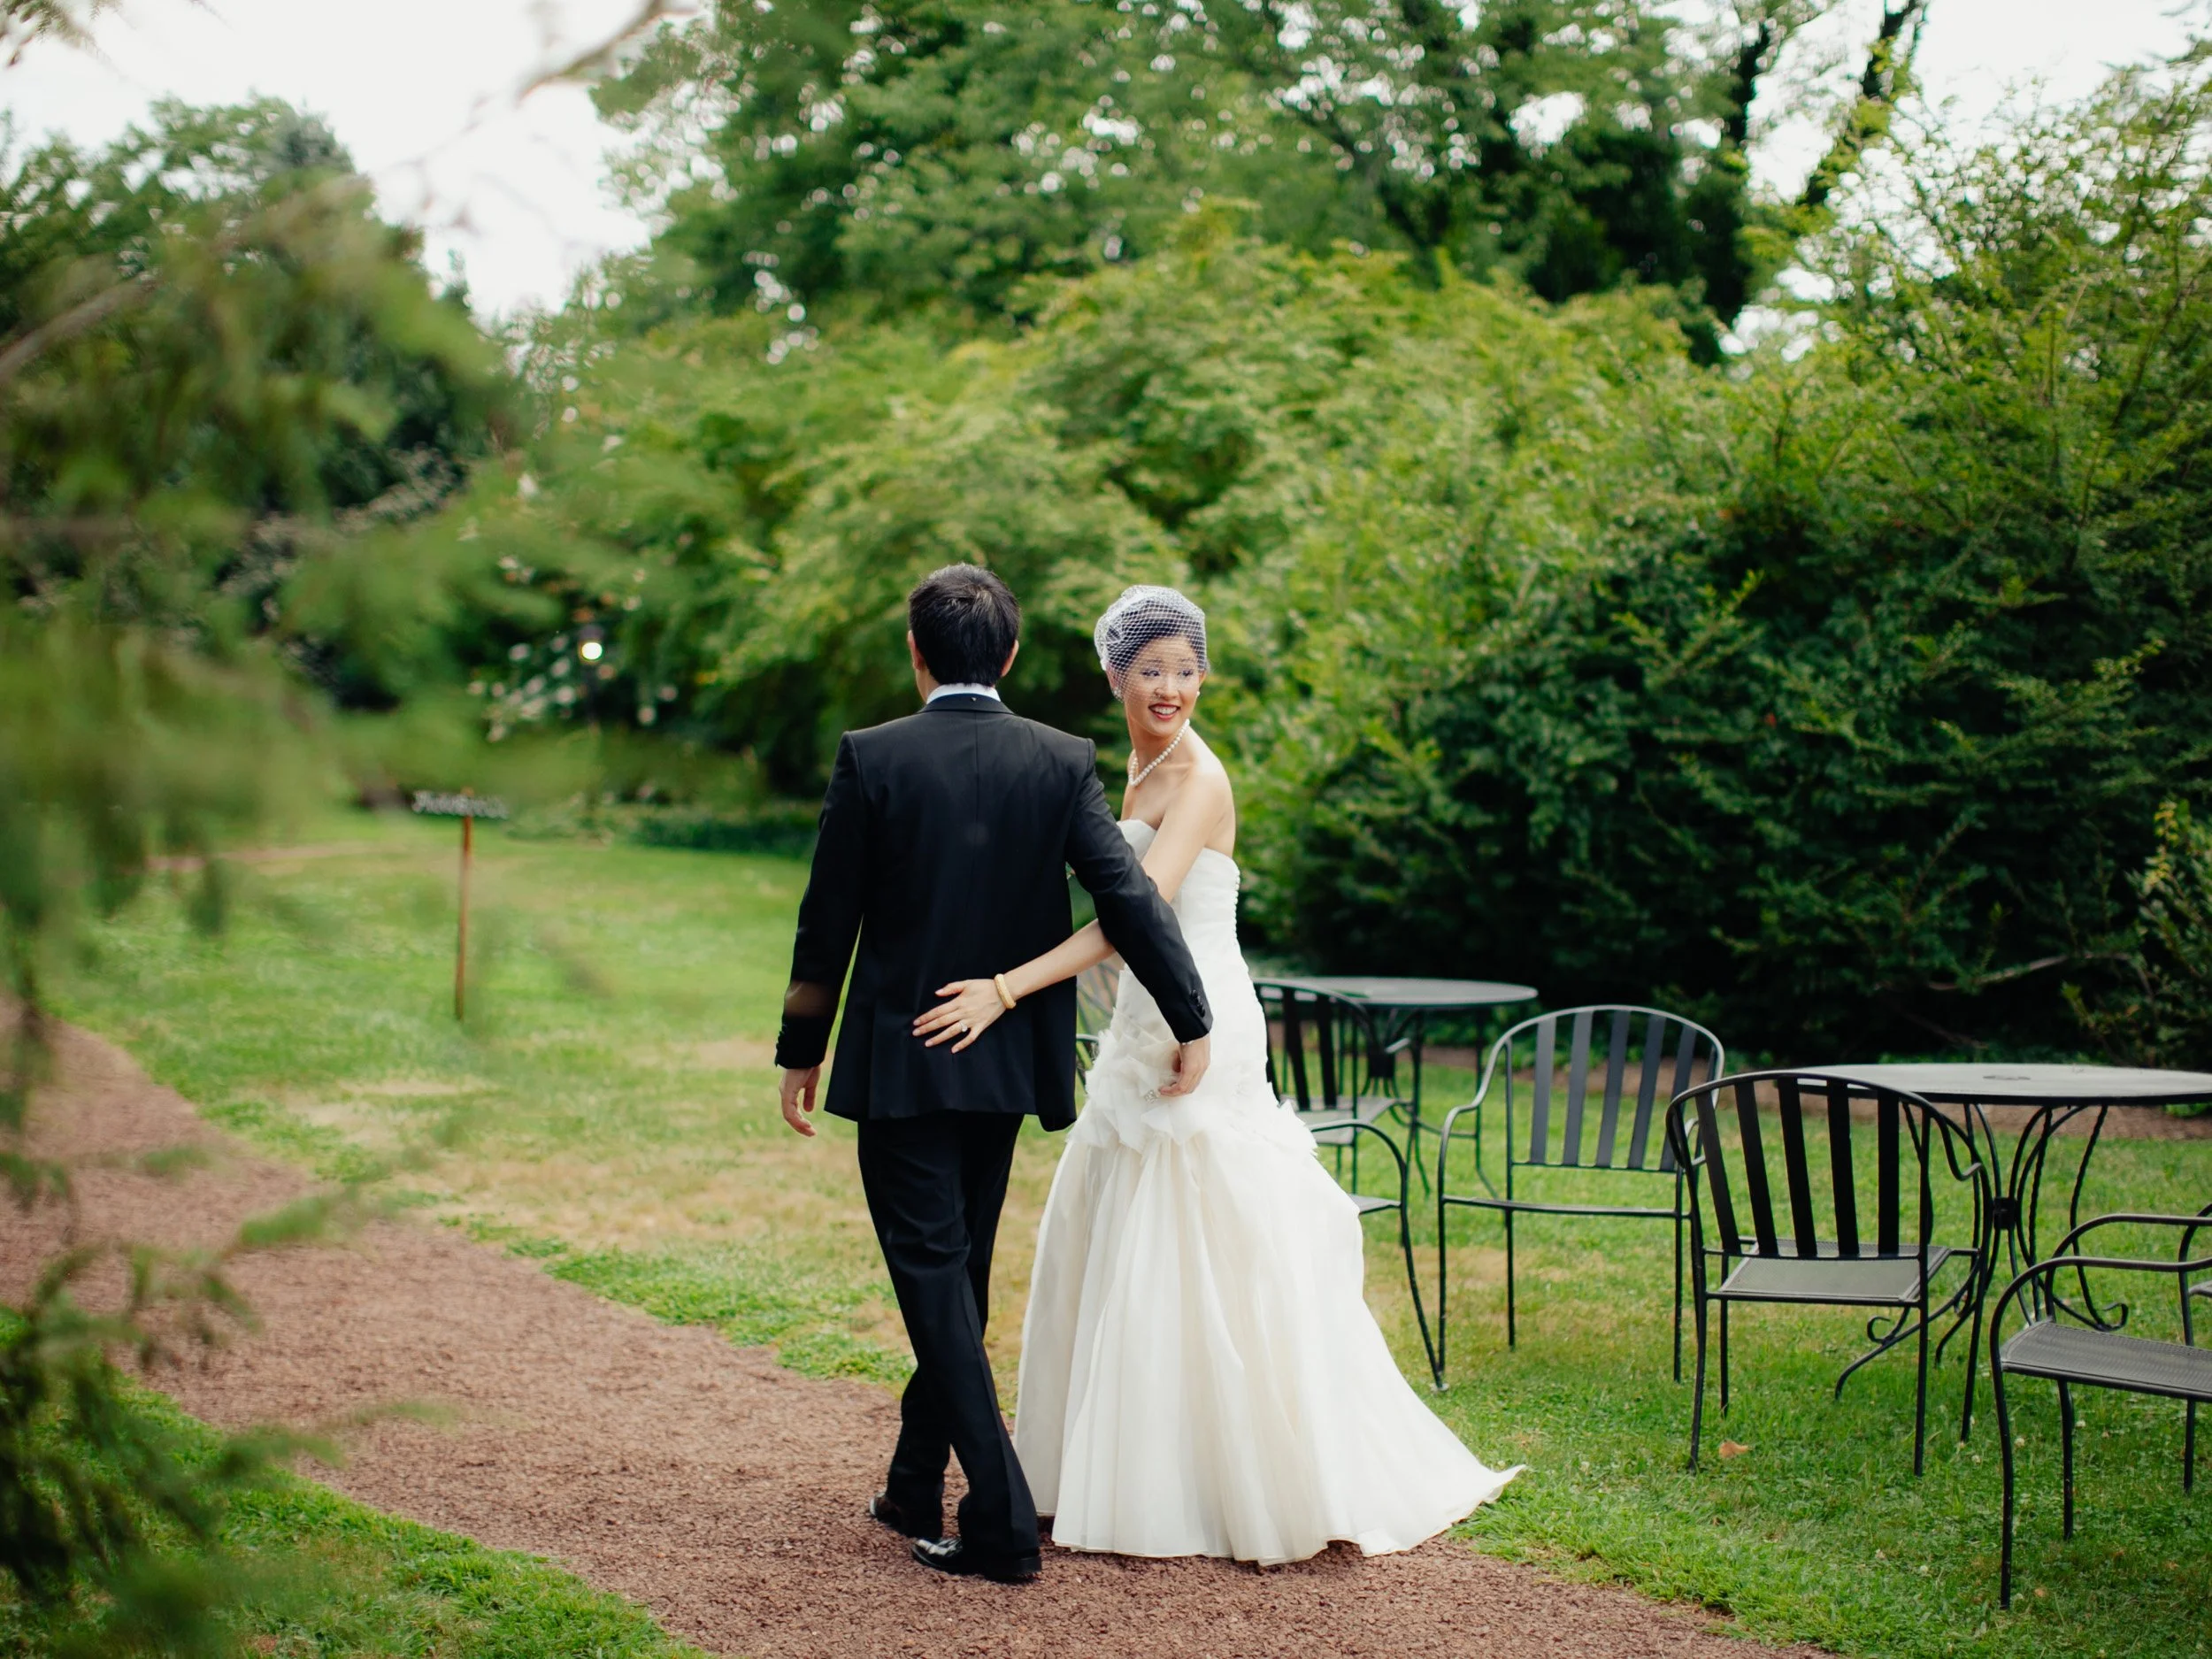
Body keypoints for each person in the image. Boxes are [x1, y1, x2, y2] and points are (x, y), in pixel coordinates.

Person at [915, 585, 1522, 1564]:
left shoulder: (1198, 778)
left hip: (1203, 1026)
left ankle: (1238, 1475)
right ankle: (1114, 1465)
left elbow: (1133, 917)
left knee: (1211, 1234)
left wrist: (1007, 987)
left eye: (1186, 670)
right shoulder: (1132, 768)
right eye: (1150, 670)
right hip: (1144, 1026)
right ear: (1115, 675)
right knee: (1124, 1232)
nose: (1170, 688)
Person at [774, 565, 1212, 1586]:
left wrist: (801, 1048)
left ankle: (1003, 1522)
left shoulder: (872, 758)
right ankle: (913, 1479)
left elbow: (824, 917)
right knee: (956, 1271)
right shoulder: (1060, 759)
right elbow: (1128, 899)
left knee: (934, 1281)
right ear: (1008, 655)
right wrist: (1194, 1016)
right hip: (1006, 1062)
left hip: (902, 1061)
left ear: (917, 653)